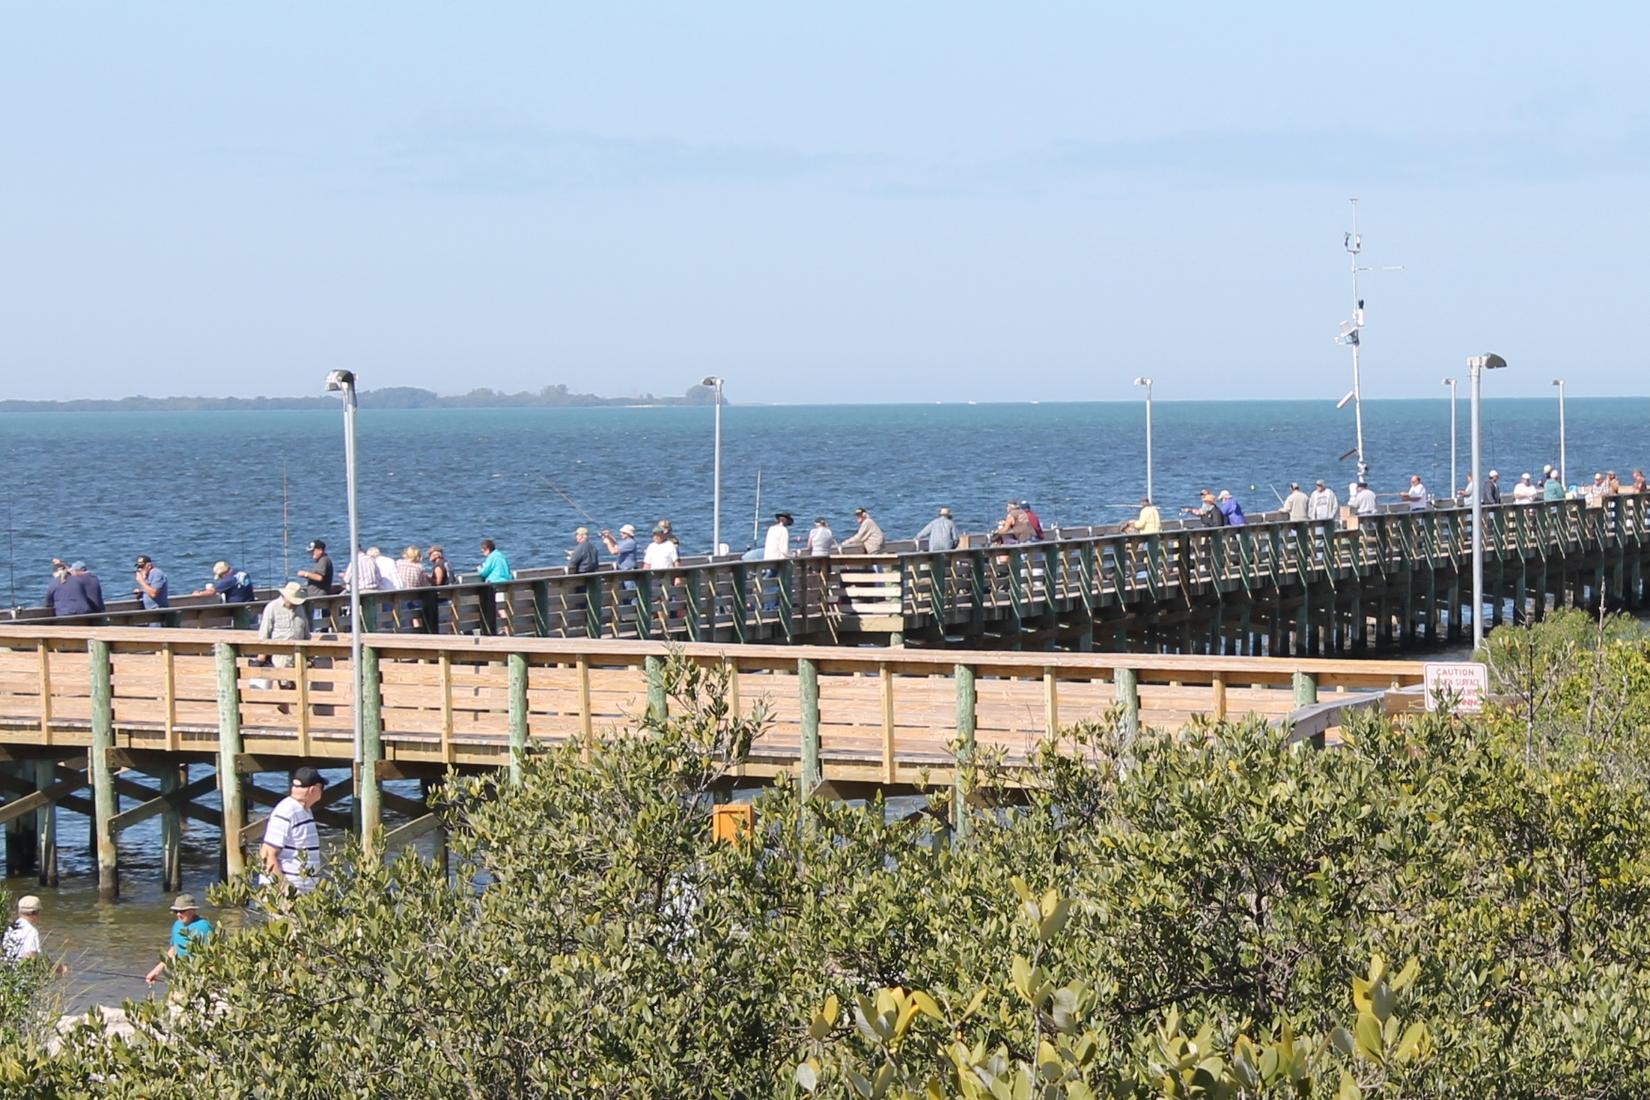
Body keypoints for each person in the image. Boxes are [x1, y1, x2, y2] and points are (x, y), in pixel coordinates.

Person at [260, 767, 326, 895]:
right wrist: (286, 890)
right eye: (322, 787)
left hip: (303, 892)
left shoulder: (304, 809)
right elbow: (267, 855)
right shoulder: (287, 811)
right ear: (313, 790)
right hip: (285, 893)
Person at [256, 582, 310, 708]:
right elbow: (264, 633)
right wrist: (262, 655)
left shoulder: (300, 608)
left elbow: (306, 631)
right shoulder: (272, 607)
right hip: (280, 655)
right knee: (285, 684)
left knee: (300, 685)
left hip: (299, 654)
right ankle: (287, 712)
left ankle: (295, 711)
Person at [144, 894, 212, 985]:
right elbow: (174, 950)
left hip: (200, 977)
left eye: (182, 911)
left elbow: (215, 953)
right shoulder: (177, 925)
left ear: (193, 910)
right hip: (180, 976)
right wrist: (156, 971)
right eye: (176, 911)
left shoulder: (204, 926)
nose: (179, 914)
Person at [395, 547, 428, 631]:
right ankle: (418, 632)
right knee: (416, 617)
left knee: (401, 616)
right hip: (414, 595)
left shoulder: (398, 563)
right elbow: (423, 584)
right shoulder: (419, 568)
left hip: (400, 593)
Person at [2, 895, 43, 961]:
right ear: (35, 913)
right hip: (20, 969)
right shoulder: (31, 931)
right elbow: (31, 955)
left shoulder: (10, 927)